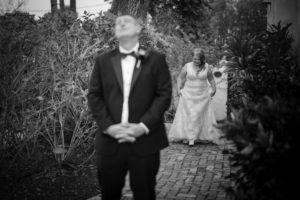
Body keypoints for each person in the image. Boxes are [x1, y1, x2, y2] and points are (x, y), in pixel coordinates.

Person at [87, 15, 172, 200]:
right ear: (115, 32)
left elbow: (164, 95)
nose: (121, 23)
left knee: (145, 193)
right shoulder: (102, 60)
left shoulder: (155, 59)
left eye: (127, 21)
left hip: (145, 143)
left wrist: (142, 127)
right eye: (118, 22)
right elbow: (94, 96)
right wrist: (109, 127)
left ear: (139, 28)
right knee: (109, 194)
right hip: (110, 142)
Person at [168, 48, 221, 146]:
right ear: (192, 57)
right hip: (188, 95)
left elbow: (211, 80)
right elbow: (180, 77)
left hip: (203, 96)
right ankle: (189, 137)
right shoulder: (187, 66)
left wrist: (214, 89)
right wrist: (179, 89)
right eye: (195, 59)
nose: (196, 61)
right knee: (190, 115)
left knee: (199, 116)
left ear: (202, 59)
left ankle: (196, 136)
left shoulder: (206, 67)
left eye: (199, 59)